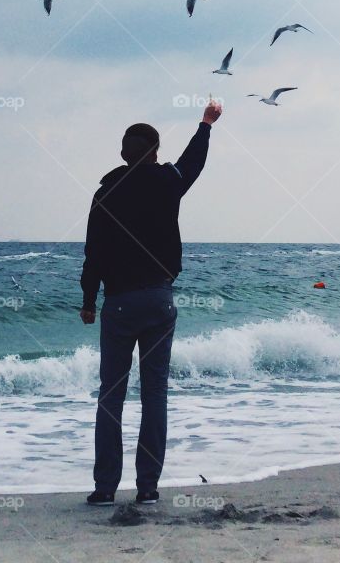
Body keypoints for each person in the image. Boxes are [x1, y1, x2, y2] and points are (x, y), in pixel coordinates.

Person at [79, 99, 223, 506]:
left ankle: (106, 487)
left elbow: (94, 252)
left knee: (111, 394)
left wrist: (88, 300)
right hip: (159, 300)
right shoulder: (166, 181)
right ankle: (147, 489)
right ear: (155, 152)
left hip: (119, 303)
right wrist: (205, 124)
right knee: (154, 393)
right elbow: (192, 163)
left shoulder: (104, 193)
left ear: (123, 153)